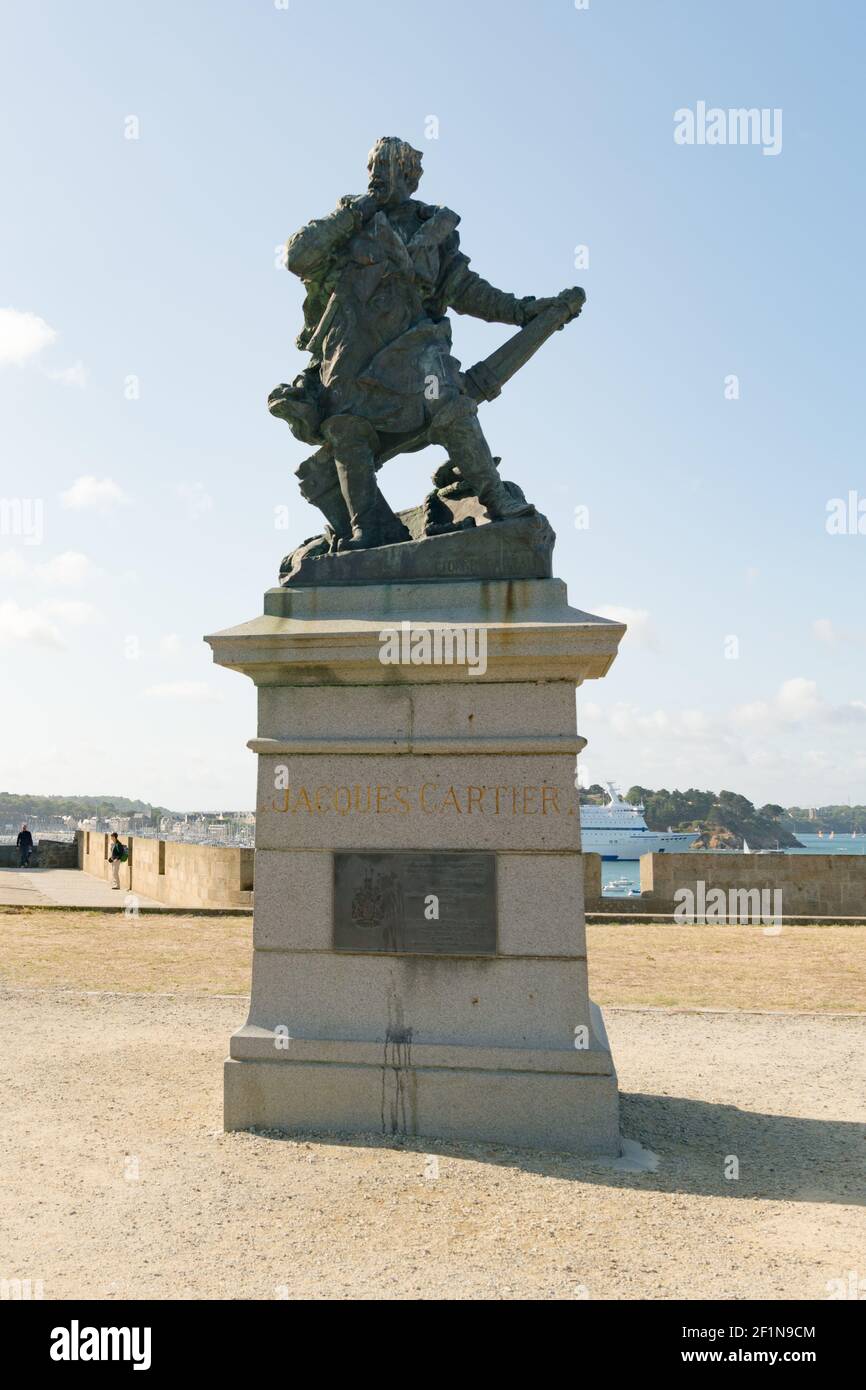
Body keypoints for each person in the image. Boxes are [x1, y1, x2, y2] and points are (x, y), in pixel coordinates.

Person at [270, 135, 581, 551]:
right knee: (346, 429)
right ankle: (369, 530)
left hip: (416, 350)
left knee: (448, 402)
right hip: (352, 356)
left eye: (388, 166)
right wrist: (354, 213)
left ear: (409, 177)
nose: (377, 174)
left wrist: (525, 311)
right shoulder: (349, 223)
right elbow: (298, 258)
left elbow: (467, 290)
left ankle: (496, 497)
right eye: (372, 167)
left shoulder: (432, 229)